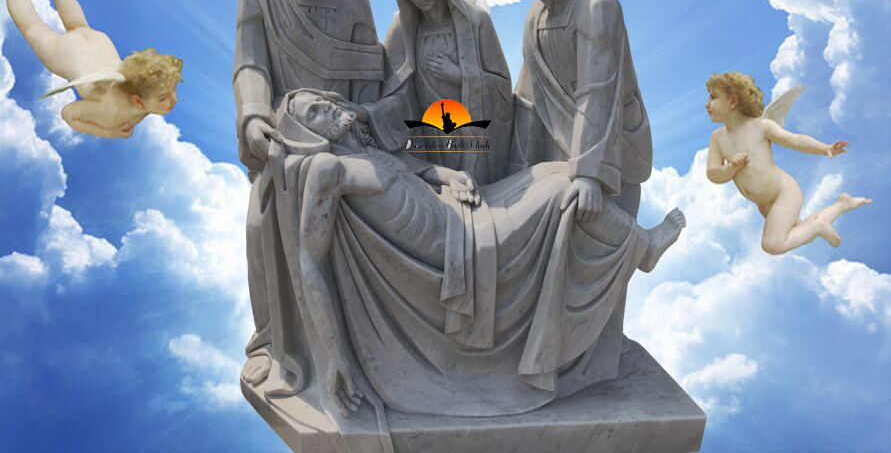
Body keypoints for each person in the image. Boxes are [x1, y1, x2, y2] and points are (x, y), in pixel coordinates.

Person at [271, 89, 685, 421]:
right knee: (564, 192)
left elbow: (414, 171)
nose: (325, 106)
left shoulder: (366, 151)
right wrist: (334, 356)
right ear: (307, 135)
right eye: (312, 113)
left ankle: (633, 244)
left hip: (462, 212)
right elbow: (310, 259)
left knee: (553, 172)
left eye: (320, 100)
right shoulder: (329, 169)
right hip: (460, 249)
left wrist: (451, 176)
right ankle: (643, 249)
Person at [234, 0, 405, 391]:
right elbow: (251, 66)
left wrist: (361, 126)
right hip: (284, 139)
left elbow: (369, 78)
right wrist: (253, 117)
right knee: (260, 223)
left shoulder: (355, 2)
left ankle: (370, 347)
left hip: (344, 139)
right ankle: (273, 343)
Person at [508, 0, 652, 219]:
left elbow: (597, 93)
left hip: (610, 145)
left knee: (601, 226)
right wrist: (515, 172)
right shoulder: (535, 16)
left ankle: (647, 241)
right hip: (556, 141)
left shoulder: (597, 7)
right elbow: (528, 98)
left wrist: (589, 174)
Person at [0, 0, 181, 138]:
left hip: (97, 42)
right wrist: (109, 132)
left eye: (172, 91)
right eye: (164, 98)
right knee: (32, 27)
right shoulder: (113, 114)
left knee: (79, 27)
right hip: (68, 55)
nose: (174, 100)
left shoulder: (143, 94)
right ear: (138, 102)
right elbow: (68, 114)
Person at [383, 0, 513, 185]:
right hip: (427, 139)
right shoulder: (402, 32)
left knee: (472, 193)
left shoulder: (476, 21)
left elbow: (502, 87)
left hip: (471, 139)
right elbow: (392, 90)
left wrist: (460, 75)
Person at [705, 72, 870, 254]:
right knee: (799, 233)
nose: (707, 103)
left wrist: (826, 149)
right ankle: (842, 205)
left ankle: (818, 225)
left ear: (733, 101)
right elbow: (713, 174)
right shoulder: (717, 138)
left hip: (783, 193)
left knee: (773, 244)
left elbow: (795, 140)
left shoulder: (761, 127)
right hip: (764, 202)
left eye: (713, 97)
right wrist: (731, 168)